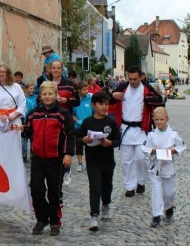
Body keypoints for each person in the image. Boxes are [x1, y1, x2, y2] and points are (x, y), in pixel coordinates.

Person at [25, 81, 75, 236]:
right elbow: (28, 132)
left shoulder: (62, 114)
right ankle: (41, 218)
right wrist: (20, 129)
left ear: (55, 95)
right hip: (38, 158)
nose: (47, 97)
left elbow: (70, 134)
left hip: (55, 158)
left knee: (54, 191)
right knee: (36, 188)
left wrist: (68, 153)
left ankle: (54, 221)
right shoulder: (33, 114)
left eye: (50, 94)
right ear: (40, 96)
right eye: (44, 94)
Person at [111, 66, 163, 197]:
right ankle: (130, 186)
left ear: (141, 77)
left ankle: (141, 181)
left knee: (142, 158)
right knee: (126, 160)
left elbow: (159, 100)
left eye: (135, 79)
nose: (132, 81)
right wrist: (112, 95)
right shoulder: (122, 87)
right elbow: (106, 98)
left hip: (141, 128)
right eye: (130, 79)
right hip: (125, 129)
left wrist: (149, 100)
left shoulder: (146, 88)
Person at [79, 92, 121, 231]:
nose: (104, 107)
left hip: (107, 159)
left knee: (106, 186)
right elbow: (78, 138)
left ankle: (106, 204)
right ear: (93, 105)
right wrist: (84, 140)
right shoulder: (87, 122)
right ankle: (94, 215)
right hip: (92, 159)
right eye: (101, 104)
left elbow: (118, 140)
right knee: (95, 186)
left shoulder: (111, 122)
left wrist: (110, 143)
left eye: (106, 104)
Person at [142, 107, 186, 227]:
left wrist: (173, 150)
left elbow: (182, 146)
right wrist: (152, 150)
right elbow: (144, 148)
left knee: (169, 192)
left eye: (162, 119)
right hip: (156, 167)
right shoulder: (151, 135)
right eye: (156, 119)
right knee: (156, 191)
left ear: (167, 119)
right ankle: (156, 215)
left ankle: (169, 206)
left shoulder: (173, 135)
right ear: (153, 120)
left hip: (168, 167)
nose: (159, 122)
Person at [48, 59, 80, 186]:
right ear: (50, 70)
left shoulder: (69, 84)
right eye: (54, 68)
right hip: (50, 120)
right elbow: (39, 100)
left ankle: (66, 169)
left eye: (58, 68)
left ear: (62, 70)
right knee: (53, 146)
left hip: (65, 119)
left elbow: (77, 101)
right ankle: (53, 171)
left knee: (64, 144)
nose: (56, 70)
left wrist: (66, 100)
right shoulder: (46, 84)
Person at [0, 64, 26, 136]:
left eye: (3, 72)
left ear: (8, 74)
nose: (1, 74)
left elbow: (22, 104)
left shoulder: (16, 87)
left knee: (14, 141)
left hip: (14, 119)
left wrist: (12, 117)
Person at [73, 81, 93, 172]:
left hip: (90, 126)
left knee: (90, 146)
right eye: (84, 89)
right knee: (79, 146)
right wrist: (77, 121)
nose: (86, 91)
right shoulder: (75, 100)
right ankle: (80, 164)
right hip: (78, 127)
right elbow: (71, 114)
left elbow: (94, 112)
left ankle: (89, 163)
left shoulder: (91, 99)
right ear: (79, 91)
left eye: (87, 89)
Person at [22, 82, 38, 162]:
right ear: (26, 89)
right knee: (24, 139)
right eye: (30, 88)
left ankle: (32, 154)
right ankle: (24, 155)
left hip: (34, 121)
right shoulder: (23, 98)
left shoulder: (36, 98)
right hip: (25, 121)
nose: (32, 90)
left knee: (33, 139)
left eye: (33, 89)